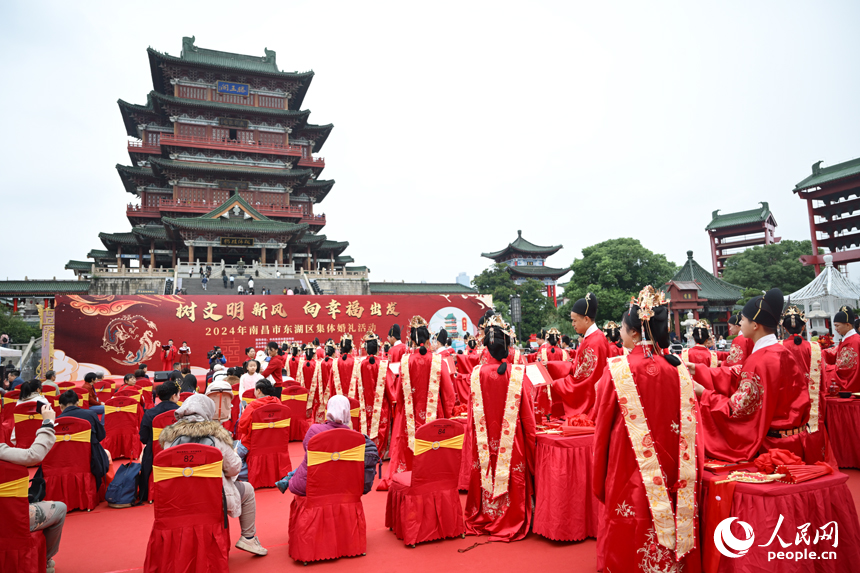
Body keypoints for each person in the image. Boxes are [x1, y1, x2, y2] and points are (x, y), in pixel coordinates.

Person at [593, 286, 703, 571]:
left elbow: (602, 422)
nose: (619, 333)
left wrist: (599, 475)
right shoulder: (678, 368)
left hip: (627, 460)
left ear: (633, 331)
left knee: (632, 510)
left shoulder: (617, 368)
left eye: (622, 328)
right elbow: (694, 426)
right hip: (673, 462)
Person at [687, 288, 813, 463]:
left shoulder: (760, 359)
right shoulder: (781, 351)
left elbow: (737, 410)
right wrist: (700, 370)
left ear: (755, 325)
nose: (740, 324)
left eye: (744, 320)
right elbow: (739, 373)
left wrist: (704, 394)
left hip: (774, 448)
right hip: (796, 439)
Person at [159, 394, 267, 555]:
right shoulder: (217, 437)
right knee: (248, 489)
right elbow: (234, 469)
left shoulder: (169, 438)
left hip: (177, 498)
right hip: (212, 496)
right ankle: (248, 538)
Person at [464, 315, 537, 542]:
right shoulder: (516, 374)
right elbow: (527, 416)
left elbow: (470, 418)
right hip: (511, 443)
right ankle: (509, 516)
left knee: (486, 470)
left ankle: (486, 514)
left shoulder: (476, 374)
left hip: (484, 441)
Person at [381, 316, 455, 490]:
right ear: (428, 339)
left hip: (408, 415)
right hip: (433, 414)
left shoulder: (405, 362)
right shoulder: (438, 361)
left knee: (406, 444)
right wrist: (449, 411)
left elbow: (398, 394)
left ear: (412, 340)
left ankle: (406, 474)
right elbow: (448, 393)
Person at [0, 402, 66, 572]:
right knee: (60, 508)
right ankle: (45, 559)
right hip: (10, 520)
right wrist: (48, 423)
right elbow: (33, 455)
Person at [280, 395, 379, 496]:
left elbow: (307, 449)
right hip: (344, 485)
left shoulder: (314, 430)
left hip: (314, 483)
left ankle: (289, 477)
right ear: (347, 413)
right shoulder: (357, 437)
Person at [551, 293, 608, 418]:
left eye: (574, 320)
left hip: (591, 406)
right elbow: (578, 368)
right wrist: (551, 367)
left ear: (586, 319)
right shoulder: (590, 338)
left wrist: (558, 384)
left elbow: (587, 381)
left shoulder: (595, 341)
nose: (572, 324)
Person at [56, 390, 111, 490]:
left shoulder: (55, 422)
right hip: (90, 458)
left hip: (62, 460)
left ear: (60, 406)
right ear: (78, 403)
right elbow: (101, 436)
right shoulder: (90, 414)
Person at [138, 382, 181, 502]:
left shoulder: (150, 413)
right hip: (182, 455)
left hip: (155, 456)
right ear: (174, 396)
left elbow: (144, 438)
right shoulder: (184, 413)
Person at [823, 305, 860, 392]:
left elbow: (846, 369)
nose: (835, 329)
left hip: (851, 386)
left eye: (837, 326)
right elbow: (835, 351)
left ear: (847, 325)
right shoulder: (850, 339)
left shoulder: (853, 341)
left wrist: (827, 366)